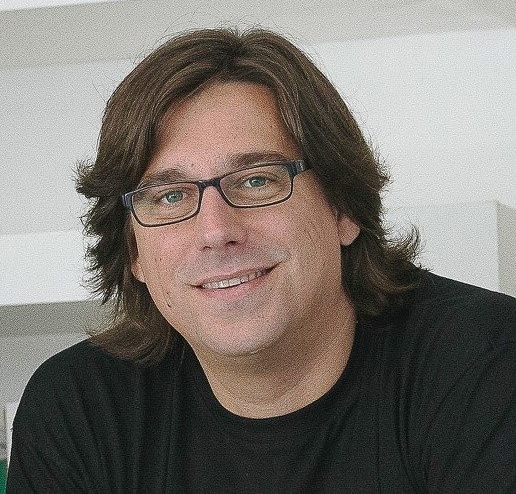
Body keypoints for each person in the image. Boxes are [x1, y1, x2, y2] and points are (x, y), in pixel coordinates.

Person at [7, 28, 516, 493]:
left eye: (256, 181)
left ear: (343, 208)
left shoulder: (487, 362)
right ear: (133, 251)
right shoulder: (80, 408)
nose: (216, 232)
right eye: (169, 196)